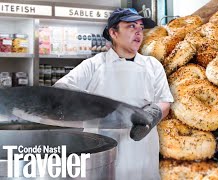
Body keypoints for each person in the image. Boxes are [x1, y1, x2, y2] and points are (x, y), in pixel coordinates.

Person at [54, 8, 173, 180]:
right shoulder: (94, 65)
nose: (139, 32)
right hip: (102, 149)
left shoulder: (152, 65)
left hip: (142, 151)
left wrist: (152, 114)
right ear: (113, 33)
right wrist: (94, 104)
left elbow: (165, 102)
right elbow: (61, 89)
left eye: (140, 27)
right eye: (131, 26)